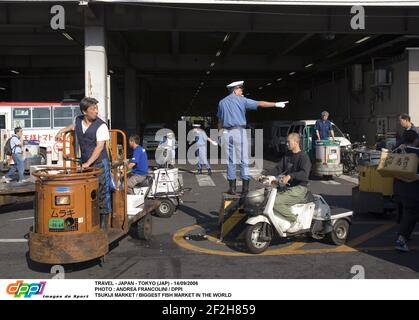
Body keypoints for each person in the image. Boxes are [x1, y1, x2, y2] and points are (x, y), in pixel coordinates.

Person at [217, 80, 288, 196]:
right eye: (240, 89)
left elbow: (219, 120)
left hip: (226, 133)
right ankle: (245, 189)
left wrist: (220, 134)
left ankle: (232, 189)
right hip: (239, 132)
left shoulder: (222, 102)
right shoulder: (242, 100)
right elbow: (260, 103)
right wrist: (276, 104)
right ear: (235, 90)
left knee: (231, 162)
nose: (242, 91)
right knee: (244, 161)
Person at [55, 97, 112, 230]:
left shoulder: (101, 125)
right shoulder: (78, 120)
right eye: (93, 109)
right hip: (85, 161)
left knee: (102, 191)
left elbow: (99, 147)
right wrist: (61, 131)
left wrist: (87, 164)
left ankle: (104, 225)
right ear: (84, 111)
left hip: (99, 163)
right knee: (86, 190)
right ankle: (87, 219)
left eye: (96, 108)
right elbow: (72, 126)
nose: (96, 111)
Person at [259, 133, 312, 233]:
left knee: (275, 202)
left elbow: (304, 174)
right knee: (266, 197)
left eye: (288, 142)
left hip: (300, 188)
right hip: (287, 187)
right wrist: (264, 175)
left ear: (296, 142)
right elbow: (278, 169)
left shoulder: (303, 157)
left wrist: (290, 176)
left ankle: (295, 221)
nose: (286, 144)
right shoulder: (287, 156)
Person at [394, 130, 419, 252]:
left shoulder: (399, 150)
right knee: (411, 213)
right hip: (412, 188)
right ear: (415, 140)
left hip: (399, 186)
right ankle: (401, 239)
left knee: (407, 212)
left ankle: (404, 235)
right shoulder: (416, 153)